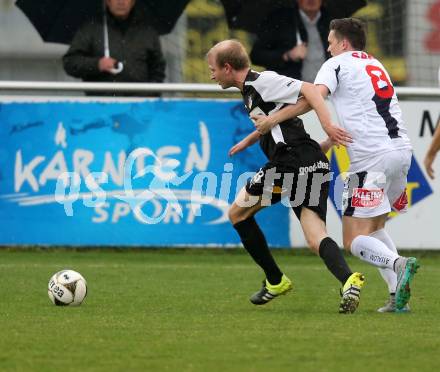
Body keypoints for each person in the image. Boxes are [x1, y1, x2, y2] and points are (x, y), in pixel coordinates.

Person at [252, 18, 419, 313]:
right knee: (375, 227)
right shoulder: (376, 64)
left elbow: (312, 98)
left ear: (343, 43)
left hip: (370, 158)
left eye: (330, 42)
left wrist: (272, 120)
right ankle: (396, 294)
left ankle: (398, 263)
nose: (327, 48)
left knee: (353, 239)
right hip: (401, 152)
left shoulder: (337, 63)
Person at [207, 39, 365, 314]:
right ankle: (349, 279)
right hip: (312, 160)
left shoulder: (262, 81)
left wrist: (329, 127)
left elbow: (313, 93)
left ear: (228, 68)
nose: (212, 75)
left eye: (213, 69)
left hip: (289, 162)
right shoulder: (250, 91)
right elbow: (276, 117)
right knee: (316, 237)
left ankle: (276, 280)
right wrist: (250, 139)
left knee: (237, 214)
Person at [63, 0, 165, 96]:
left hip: (139, 106)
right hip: (101, 105)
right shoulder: (91, 29)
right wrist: (97, 64)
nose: (121, 1)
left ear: (133, 2)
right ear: (107, 1)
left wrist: (151, 94)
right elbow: (70, 62)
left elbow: (158, 69)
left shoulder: (147, 31)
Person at [250, 0, 366, 82]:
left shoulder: (334, 21)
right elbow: (256, 55)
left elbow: (350, 51)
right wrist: (287, 55)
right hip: (291, 95)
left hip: (330, 92)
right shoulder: (278, 20)